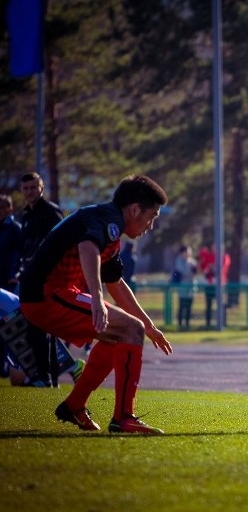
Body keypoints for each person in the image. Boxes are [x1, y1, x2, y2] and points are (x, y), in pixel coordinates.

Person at [19, 174, 172, 434]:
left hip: (49, 295)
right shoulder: (108, 221)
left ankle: (74, 405)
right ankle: (123, 418)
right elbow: (87, 247)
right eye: (152, 216)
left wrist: (149, 326)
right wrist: (97, 299)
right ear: (134, 209)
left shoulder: (109, 226)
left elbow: (116, 284)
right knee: (130, 329)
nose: (151, 225)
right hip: (46, 295)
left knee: (121, 334)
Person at [16, 172, 82, 385]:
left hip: (46, 277)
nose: (30, 192)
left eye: (33, 187)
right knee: (37, 330)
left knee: (40, 329)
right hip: (29, 276)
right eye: (26, 188)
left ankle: (44, 377)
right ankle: (47, 378)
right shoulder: (26, 215)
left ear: (41, 188)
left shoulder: (51, 212)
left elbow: (61, 242)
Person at [0, 194, 23, 292]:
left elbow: (18, 254)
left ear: (10, 209)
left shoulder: (15, 228)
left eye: (2, 207)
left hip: (9, 280)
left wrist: (13, 274)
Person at [173, 244, 198, 331]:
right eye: (187, 251)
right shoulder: (179, 261)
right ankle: (180, 325)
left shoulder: (192, 261)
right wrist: (190, 269)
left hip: (191, 287)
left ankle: (187, 325)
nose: (188, 253)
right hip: (183, 287)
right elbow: (182, 271)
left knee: (189, 307)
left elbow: (195, 270)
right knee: (182, 306)